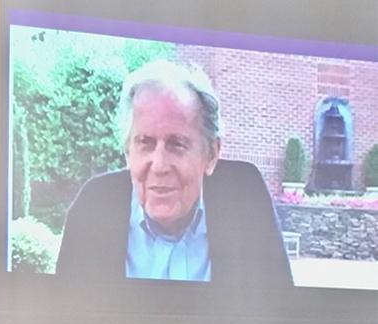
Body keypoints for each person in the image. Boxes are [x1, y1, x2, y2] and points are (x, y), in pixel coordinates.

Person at [55, 60, 292, 286]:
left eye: (177, 144)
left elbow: (282, 314)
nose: (159, 165)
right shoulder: (94, 207)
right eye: (145, 143)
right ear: (128, 151)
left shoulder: (244, 198)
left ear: (211, 154)